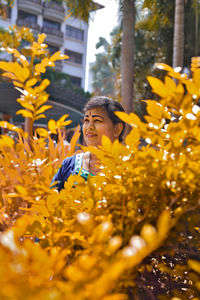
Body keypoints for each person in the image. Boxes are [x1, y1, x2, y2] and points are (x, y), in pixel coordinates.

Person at [51, 96, 125, 191]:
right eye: (86, 120)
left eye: (97, 120)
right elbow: (50, 201)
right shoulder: (68, 164)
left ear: (117, 129)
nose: (89, 127)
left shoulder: (129, 169)